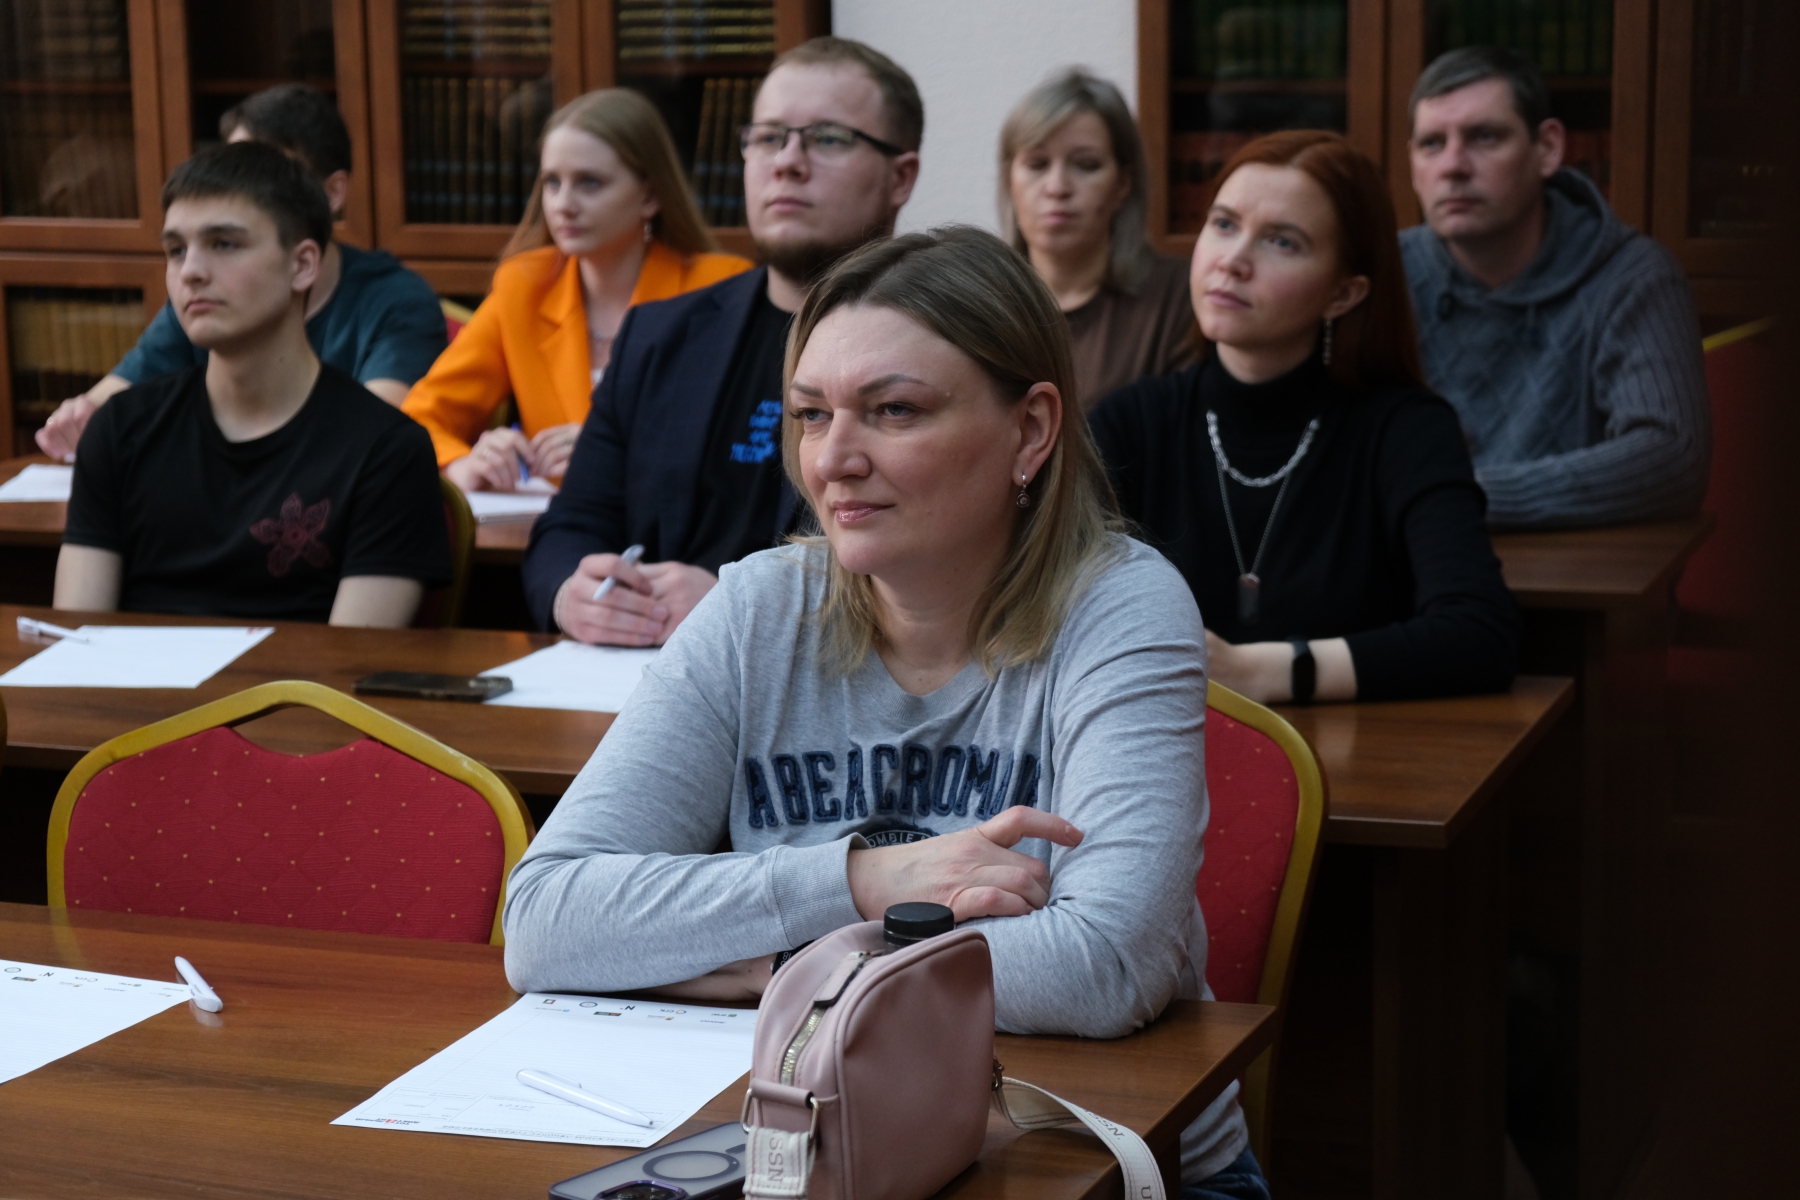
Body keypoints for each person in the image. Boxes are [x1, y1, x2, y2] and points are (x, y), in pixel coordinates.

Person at [502, 226, 1265, 1200]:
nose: (834, 460)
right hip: (830, 1153)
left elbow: (1103, 966)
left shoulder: (1121, 604)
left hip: (1104, 1161)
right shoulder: (755, 607)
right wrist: (867, 880)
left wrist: (753, 961)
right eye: (812, 415)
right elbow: (547, 920)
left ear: (1032, 431)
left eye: (894, 411)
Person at [1089, 131, 1519, 703]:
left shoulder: (1406, 430)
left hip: (1363, 748)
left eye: (1282, 242)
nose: (1233, 260)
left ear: (1344, 293)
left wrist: (1259, 671)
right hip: (1165, 744)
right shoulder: (1130, 421)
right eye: (1224, 224)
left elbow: (1480, 636)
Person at [521, 36, 922, 645]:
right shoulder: (658, 337)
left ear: (901, 177)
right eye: (768, 137)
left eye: (828, 139)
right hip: (637, 676)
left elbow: (947, 566)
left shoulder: (937, 353)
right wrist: (571, 594)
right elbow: (570, 526)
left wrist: (736, 606)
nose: (787, 162)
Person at [55, 142, 451, 628]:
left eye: (224, 244)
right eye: (176, 250)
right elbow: (72, 645)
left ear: (302, 265)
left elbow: (349, 661)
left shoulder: (387, 451)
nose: (191, 271)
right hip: (129, 681)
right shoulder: (118, 431)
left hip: (303, 680)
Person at [34, 84, 447, 462]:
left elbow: (372, 438)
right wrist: (80, 420)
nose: (192, 270)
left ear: (332, 193)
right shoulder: (207, 295)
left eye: (264, 171)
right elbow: (106, 406)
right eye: (232, 167)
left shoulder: (394, 298)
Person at [1403, 46, 1709, 529]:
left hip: (1578, 571)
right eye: (1432, 144)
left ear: (1547, 149)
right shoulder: (1382, 273)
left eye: (1485, 137)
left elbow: (1671, 458)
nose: (1453, 165)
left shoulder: (1632, 276)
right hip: (1415, 565)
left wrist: (1455, 497)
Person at [402, 89, 753, 492]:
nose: (563, 204)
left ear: (651, 196)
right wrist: (462, 465)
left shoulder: (722, 288)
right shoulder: (524, 287)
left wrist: (619, 451)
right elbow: (417, 420)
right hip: (552, 524)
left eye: (589, 182)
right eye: (552, 182)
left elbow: (749, 442)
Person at [1000, 67, 1196, 409]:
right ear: (1009, 179)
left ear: (1122, 184)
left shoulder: (1180, 296)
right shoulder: (979, 302)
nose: (1057, 187)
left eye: (1086, 165)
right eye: (1037, 164)